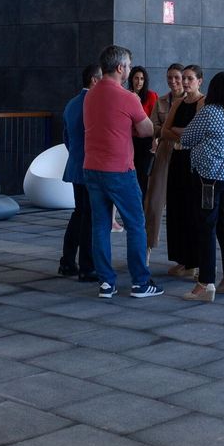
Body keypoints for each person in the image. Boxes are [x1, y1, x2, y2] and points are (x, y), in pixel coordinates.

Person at [82, 44, 161, 299]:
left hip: (92, 168)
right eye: (128, 66)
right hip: (119, 169)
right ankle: (140, 282)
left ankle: (106, 283)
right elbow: (148, 129)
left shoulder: (90, 95)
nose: (129, 70)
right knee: (136, 224)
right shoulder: (128, 97)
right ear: (120, 67)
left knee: (101, 225)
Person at [179, 71, 224, 302]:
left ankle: (205, 283)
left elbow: (187, 138)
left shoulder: (209, 112)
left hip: (209, 177)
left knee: (206, 226)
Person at [162, 65, 205, 278]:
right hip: (177, 159)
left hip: (193, 162)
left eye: (190, 79)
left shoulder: (202, 102)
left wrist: (177, 132)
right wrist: (182, 133)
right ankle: (182, 258)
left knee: (192, 211)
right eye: (184, 78)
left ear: (199, 81)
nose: (185, 82)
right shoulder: (178, 102)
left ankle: (194, 262)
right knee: (176, 210)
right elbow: (163, 130)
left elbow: (196, 134)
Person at [57, 64, 99, 282]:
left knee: (79, 214)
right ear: (94, 80)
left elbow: (66, 136)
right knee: (89, 217)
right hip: (90, 167)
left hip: (74, 165)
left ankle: (67, 261)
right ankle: (87, 266)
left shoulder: (71, 103)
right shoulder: (92, 103)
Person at [144, 64, 183, 258]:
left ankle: (187, 258)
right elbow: (153, 127)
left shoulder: (194, 102)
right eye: (170, 77)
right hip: (164, 152)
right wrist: (173, 131)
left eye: (177, 77)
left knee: (184, 206)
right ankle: (147, 248)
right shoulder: (160, 101)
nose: (173, 81)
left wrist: (167, 130)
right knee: (154, 202)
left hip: (186, 154)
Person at [129, 66, 158, 190]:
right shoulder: (126, 96)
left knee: (144, 175)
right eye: (136, 78)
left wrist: (154, 140)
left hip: (146, 141)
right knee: (132, 175)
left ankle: (143, 206)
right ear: (131, 79)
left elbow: (153, 120)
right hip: (131, 141)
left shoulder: (151, 96)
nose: (139, 82)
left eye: (142, 78)